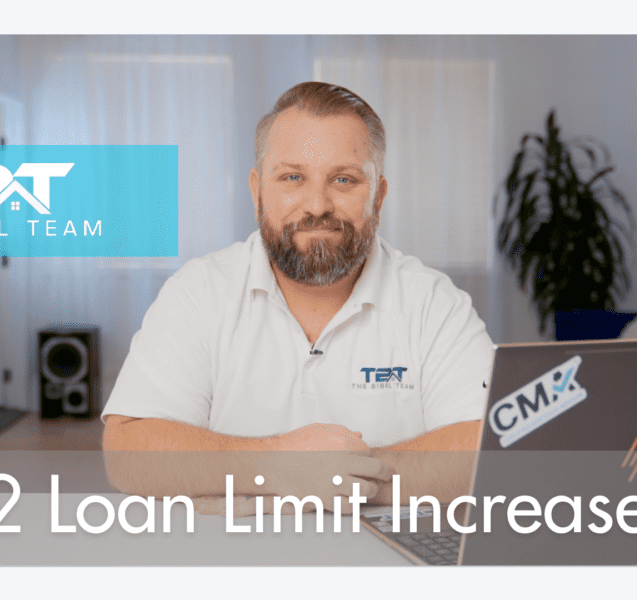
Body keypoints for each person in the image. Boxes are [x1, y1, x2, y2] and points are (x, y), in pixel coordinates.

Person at [102, 82, 494, 515]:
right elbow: (128, 450)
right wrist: (280, 467)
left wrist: (344, 482)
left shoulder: (434, 303)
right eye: (292, 177)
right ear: (257, 192)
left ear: (378, 196)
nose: (317, 205)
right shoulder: (198, 292)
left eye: (343, 179)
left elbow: (486, 445)